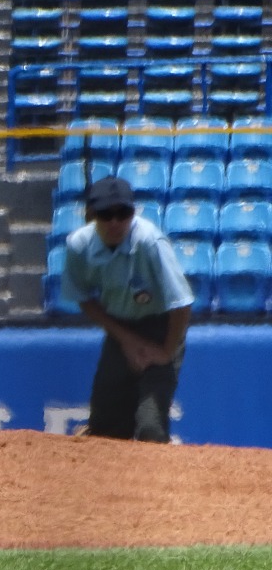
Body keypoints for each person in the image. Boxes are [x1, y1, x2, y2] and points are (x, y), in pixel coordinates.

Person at [59, 176, 193, 443]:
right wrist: (128, 341)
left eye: (124, 213)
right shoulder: (78, 245)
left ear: (134, 212)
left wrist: (166, 352)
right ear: (91, 215)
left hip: (161, 327)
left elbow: (181, 303)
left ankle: (156, 483)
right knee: (104, 429)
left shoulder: (149, 241)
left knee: (151, 427)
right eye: (106, 215)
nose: (115, 223)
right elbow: (83, 297)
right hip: (119, 328)